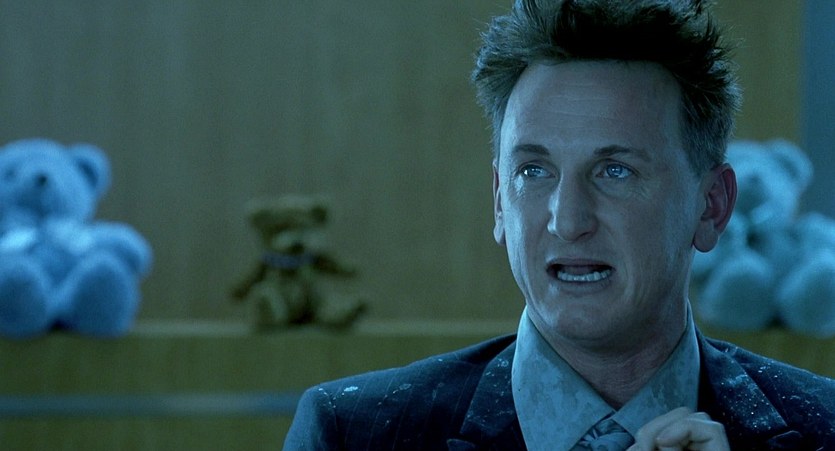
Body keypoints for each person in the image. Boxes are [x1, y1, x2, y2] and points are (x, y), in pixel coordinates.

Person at [284, 0, 835, 449]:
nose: (568, 221)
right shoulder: (353, 434)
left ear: (711, 206)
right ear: (500, 202)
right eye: (534, 171)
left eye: (615, 171)